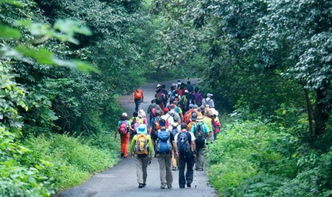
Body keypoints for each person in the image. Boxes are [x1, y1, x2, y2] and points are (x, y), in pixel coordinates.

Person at [129, 124, 155, 188]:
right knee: (144, 169)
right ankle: (144, 182)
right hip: (145, 155)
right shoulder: (148, 137)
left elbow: (131, 146)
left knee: (138, 168)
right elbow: (151, 147)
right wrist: (151, 154)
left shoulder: (135, 137)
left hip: (137, 154)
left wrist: (131, 152)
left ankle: (140, 182)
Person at [174, 123, 196, 188]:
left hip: (181, 153)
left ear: (180, 128)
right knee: (190, 167)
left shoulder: (178, 134)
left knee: (181, 169)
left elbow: (174, 143)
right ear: (186, 128)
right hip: (189, 153)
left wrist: (177, 151)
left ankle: (182, 184)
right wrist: (193, 151)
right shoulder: (190, 134)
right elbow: (193, 143)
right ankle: (189, 181)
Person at [155, 119, 173, 189]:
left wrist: (155, 152)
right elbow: (173, 142)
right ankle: (169, 184)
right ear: (165, 124)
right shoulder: (169, 132)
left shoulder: (157, 133)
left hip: (160, 152)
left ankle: (163, 183)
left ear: (159, 125)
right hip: (168, 152)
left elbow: (154, 143)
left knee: (162, 168)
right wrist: (175, 151)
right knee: (168, 167)